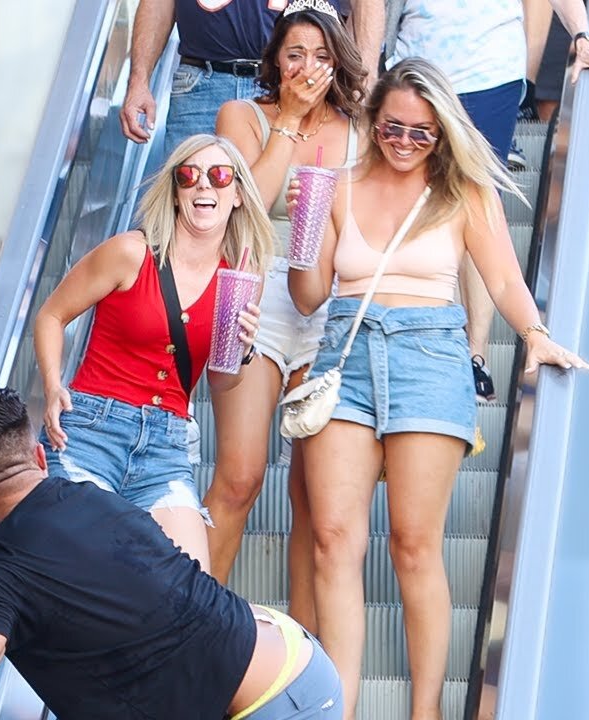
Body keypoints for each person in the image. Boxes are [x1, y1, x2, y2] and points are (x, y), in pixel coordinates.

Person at [286, 58, 589, 719]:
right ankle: (340, 704)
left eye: (422, 133)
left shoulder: (462, 192)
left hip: (430, 358)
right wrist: (303, 237)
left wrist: (533, 333)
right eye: (393, 127)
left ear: (442, 133)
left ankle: (426, 710)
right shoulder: (336, 187)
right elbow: (308, 297)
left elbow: (506, 280)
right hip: (346, 357)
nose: (405, 142)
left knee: (414, 543)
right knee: (334, 537)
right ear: (373, 121)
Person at [0, 388, 344, 720]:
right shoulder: (95, 501)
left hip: (271, 703)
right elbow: (2, 613)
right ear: (39, 457)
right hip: (294, 665)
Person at [33, 134, 273, 570]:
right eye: (189, 175)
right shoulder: (131, 252)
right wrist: (52, 387)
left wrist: (241, 351)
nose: (204, 186)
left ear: (237, 194)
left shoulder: (239, 277)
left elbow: (219, 381)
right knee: (69, 572)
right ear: (177, 193)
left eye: (219, 176)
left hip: (166, 443)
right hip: (91, 427)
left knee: (186, 581)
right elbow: (51, 315)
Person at [206, 0, 366, 631]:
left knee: (312, 497)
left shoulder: (360, 130)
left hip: (330, 304)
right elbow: (245, 205)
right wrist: (291, 123)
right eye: (295, 53)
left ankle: (301, 655)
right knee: (240, 477)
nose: (308, 67)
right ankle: (195, 630)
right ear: (274, 57)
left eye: (322, 55)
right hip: (255, 297)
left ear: (340, 60)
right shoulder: (241, 115)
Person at [383, 0, 589, 402]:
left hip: (488, 74)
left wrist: (582, 35)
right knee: (413, 212)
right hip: (413, 72)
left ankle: (473, 355)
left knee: (473, 209)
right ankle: (422, 345)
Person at [120, 0, 384, 156]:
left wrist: (367, 82)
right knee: (185, 206)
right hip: (204, 79)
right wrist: (138, 80)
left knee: (284, 215)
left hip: (298, 81)